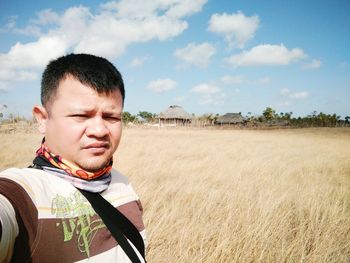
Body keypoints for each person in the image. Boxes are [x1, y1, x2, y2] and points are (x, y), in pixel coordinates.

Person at [0, 54, 146, 263]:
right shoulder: (23, 195)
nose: (99, 130)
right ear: (42, 119)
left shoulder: (122, 183)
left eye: (111, 117)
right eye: (81, 116)